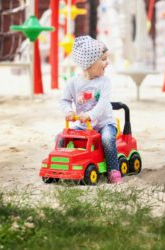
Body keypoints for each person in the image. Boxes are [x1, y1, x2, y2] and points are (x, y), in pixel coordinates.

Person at [59, 35, 122, 184]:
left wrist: (89, 115)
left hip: (104, 124)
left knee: (107, 139)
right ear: (89, 63)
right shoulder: (73, 82)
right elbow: (64, 100)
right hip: (82, 125)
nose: (107, 63)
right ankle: (64, 165)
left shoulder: (105, 82)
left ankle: (113, 170)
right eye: (103, 59)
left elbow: (103, 104)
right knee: (63, 138)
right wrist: (68, 111)